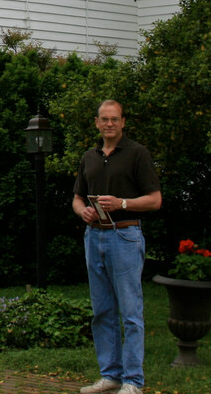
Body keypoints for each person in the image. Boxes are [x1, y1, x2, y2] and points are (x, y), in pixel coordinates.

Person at [72, 99, 162, 394]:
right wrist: (82, 211)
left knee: (131, 312)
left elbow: (155, 200)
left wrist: (122, 203)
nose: (109, 124)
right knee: (102, 311)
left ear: (123, 122)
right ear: (97, 123)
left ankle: (133, 380)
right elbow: (77, 198)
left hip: (125, 236)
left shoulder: (137, 154)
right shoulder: (89, 157)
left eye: (114, 119)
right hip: (94, 237)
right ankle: (110, 375)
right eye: (104, 119)